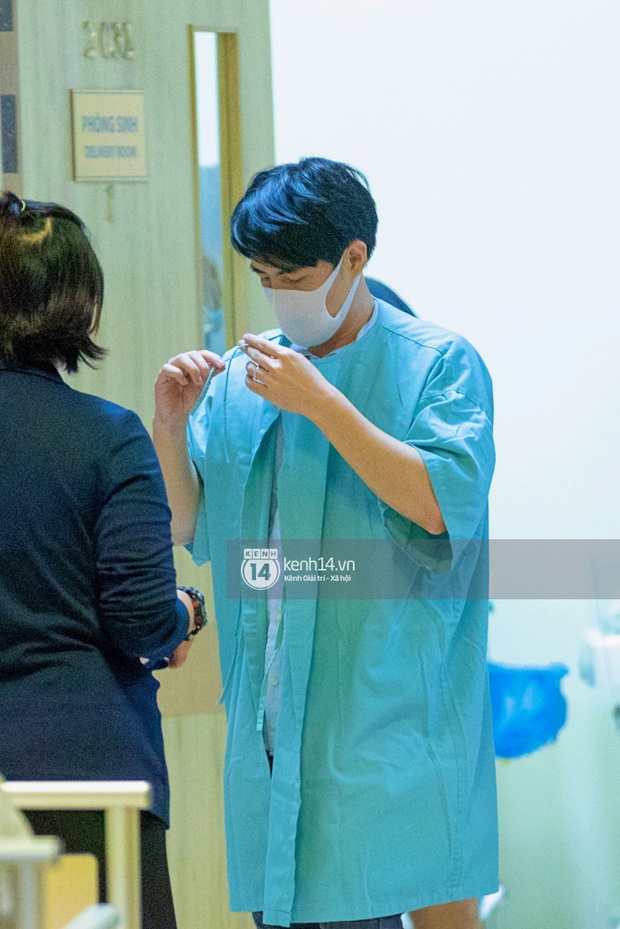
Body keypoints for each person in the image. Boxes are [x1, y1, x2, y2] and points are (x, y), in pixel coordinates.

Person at [154, 157, 498, 929]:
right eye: (262, 273)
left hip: (387, 731)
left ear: (354, 258)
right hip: (273, 733)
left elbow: (441, 505)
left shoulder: (438, 362)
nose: (278, 291)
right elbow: (187, 524)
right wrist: (171, 426)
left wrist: (325, 404)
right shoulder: (248, 375)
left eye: (296, 272)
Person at [0, 191, 206, 929]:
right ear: (79, 307)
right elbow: (139, 617)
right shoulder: (108, 438)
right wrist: (188, 611)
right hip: (86, 779)